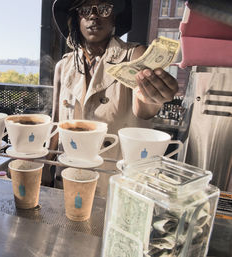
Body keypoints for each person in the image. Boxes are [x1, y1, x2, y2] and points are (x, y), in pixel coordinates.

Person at [52, 0, 179, 197]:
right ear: (76, 19)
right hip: (69, 175)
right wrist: (44, 171)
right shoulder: (64, 66)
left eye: (103, 9)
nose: (93, 16)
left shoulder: (134, 55)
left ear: (114, 18)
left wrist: (153, 98)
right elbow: (55, 123)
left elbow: (144, 109)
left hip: (113, 180)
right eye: (85, 10)